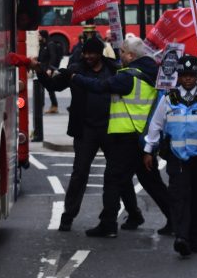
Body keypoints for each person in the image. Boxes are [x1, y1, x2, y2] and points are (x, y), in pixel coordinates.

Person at [32, 36, 142, 236]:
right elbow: (53, 86)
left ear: (101, 53)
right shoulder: (75, 69)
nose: (89, 56)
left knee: (118, 175)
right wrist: (40, 71)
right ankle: (68, 216)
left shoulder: (114, 69)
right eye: (86, 53)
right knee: (79, 173)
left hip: (111, 128)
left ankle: (133, 212)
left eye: (93, 53)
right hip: (85, 129)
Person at [71, 36, 173, 235]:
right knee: (152, 182)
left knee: (112, 179)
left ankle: (108, 224)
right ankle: (176, 219)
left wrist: (75, 78)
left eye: (122, 52)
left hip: (126, 136)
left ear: (131, 55)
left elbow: (100, 86)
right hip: (144, 137)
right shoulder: (152, 73)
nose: (120, 56)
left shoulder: (128, 76)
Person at [143, 55, 197, 257]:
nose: (188, 79)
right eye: (184, 75)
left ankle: (195, 239)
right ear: (179, 76)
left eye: (192, 75)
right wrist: (148, 149)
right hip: (177, 156)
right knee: (179, 196)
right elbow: (156, 125)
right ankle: (182, 237)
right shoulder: (168, 98)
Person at [36, 30, 63, 114]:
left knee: (49, 88)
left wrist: (50, 69)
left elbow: (53, 57)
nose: (38, 37)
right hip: (42, 69)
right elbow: (41, 57)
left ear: (43, 36)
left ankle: (54, 106)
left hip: (47, 70)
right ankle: (43, 106)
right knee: (42, 89)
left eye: (39, 35)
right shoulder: (43, 45)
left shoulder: (50, 45)